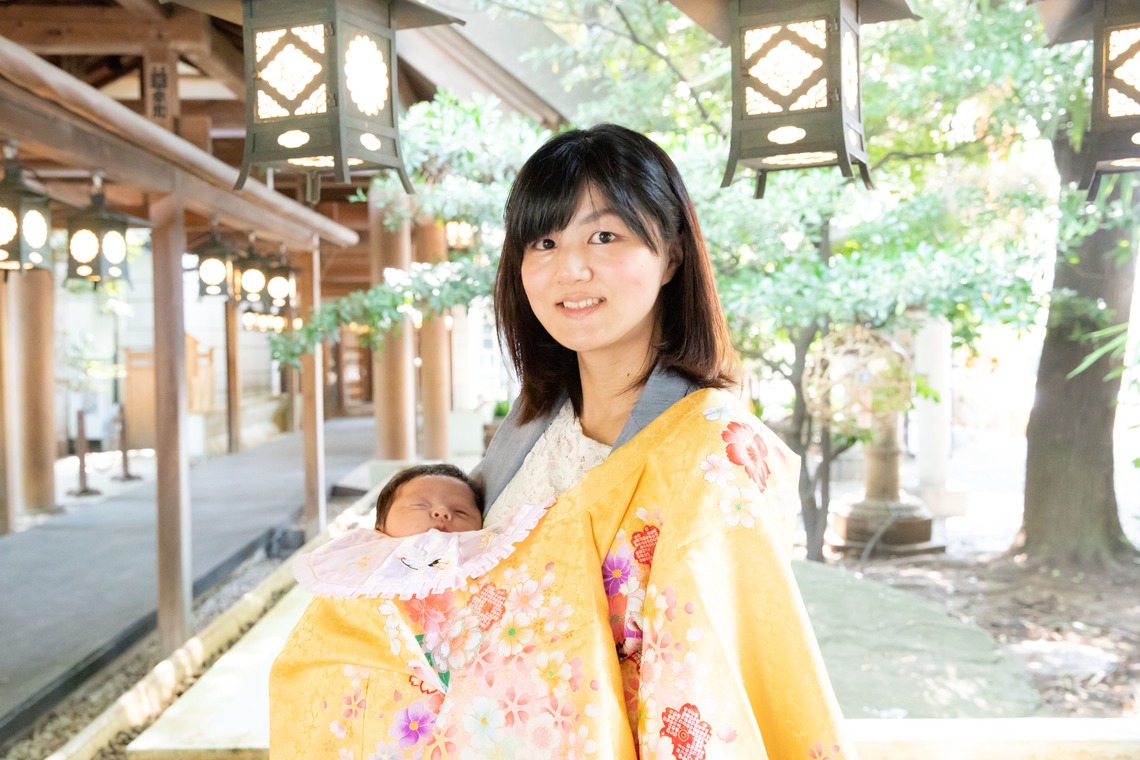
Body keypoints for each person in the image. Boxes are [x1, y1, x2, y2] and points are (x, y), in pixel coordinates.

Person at [270, 124, 852, 760]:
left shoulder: (716, 446)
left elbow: (707, 678)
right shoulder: (530, 418)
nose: (570, 268)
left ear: (672, 256)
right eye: (543, 241)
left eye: (605, 235)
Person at [374, 463, 484, 537]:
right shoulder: (365, 548)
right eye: (420, 505)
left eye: (460, 511)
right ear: (380, 527)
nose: (442, 512)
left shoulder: (488, 557)